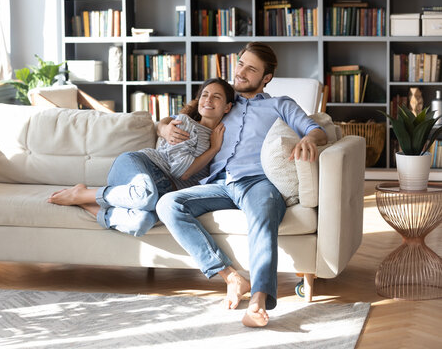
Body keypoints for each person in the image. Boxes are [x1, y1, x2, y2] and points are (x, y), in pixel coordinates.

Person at [155, 42, 328, 327]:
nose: (241, 72)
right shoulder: (223, 101)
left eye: (251, 69)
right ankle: (232, 277)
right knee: (168, 203)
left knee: (261, 219)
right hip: (220, 183)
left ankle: (259, 302)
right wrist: (162, 127)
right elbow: (180, 115)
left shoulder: (279, 104)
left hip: (258, 183)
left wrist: (309, 138)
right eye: (240, 64)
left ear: (266, 78)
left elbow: (316, 130)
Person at [48, 78, 235, 237]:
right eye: (205, 94)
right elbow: (183, 171)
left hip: (164, 191)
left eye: (216, 97)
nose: (208, 100)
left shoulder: (226, 133)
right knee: (145, 196)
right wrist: (213, 148)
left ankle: (83, 202)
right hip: (141, 164)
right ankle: (82, 194)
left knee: (141, 222)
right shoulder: (185, 123)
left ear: (227, 107)